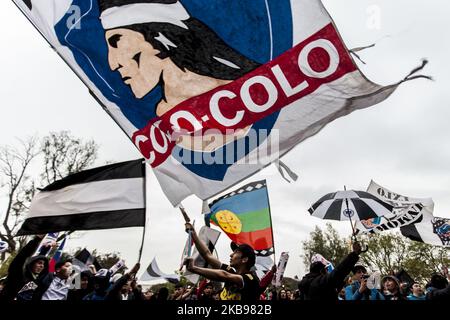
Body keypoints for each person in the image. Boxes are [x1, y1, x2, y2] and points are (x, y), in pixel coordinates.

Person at [98, 0, 260, 152]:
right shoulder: (164, 115)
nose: (113, 64)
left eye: (116, 41)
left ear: (157, 37)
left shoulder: (245, 87)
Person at [183, 222, 260, 301]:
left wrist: (194, 268)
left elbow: (224, 275)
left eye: (236, 252)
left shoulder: (250, 279)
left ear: (244, 259)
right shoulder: (231, 272)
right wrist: (193, 234)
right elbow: (207, 255)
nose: (231, 255)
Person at [298, 241, 363, 301]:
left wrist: (341, 283)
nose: (327, 271)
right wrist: (354, 254)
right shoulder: (318, 282)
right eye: (326, 268)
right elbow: (337, 273)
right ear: (321, 270)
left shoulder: (307, 285)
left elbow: (327, 291)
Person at [0, 235, 50, 301]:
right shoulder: (18, 275)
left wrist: (45, 250)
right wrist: (36, 240)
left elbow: (49, 270)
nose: (42, 266)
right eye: (39, 263)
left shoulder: (36, 281)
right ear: (31, 264)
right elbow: (21, 257)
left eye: (44, 265)